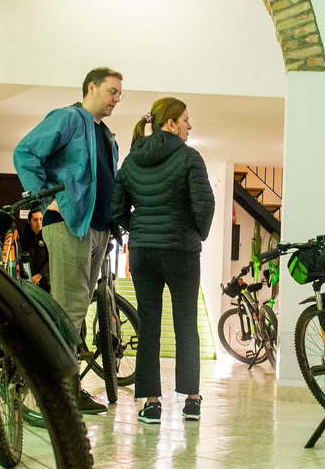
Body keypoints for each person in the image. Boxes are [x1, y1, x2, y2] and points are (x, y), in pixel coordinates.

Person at [13, 67, 123, 414]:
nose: (116, 99)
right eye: (112, 91)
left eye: (120, 94)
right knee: (68, 309)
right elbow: (25, 152)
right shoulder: (69, 118)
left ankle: (61, 385)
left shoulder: (106, 135)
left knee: (74, 308)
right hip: (69, 224)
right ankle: (62, 390)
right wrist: (44, 198)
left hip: (97, 228)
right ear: (91, 87)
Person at [111, 97, 215, 424]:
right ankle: (192, 400)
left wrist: (139, 230)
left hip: (143, 252)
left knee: (149, 325)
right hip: (181, 250)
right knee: (186, 324)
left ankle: (152, 403)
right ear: (170, 123)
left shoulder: (130, 161)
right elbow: (205, 205)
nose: (190, 125)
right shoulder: (189, 157)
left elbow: (117, 210)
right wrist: (194, 232)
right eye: (186, 119)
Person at [20, 209, 50, 293]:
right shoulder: (23, 236)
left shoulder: (47, 235)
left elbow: (52, 258)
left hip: (45, 280)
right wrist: (30, 277)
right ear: (29, 221)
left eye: (41, 219)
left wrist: (40, 274)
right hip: (27, 280)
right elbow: (20, 257)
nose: (39, 223)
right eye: (35, 220)